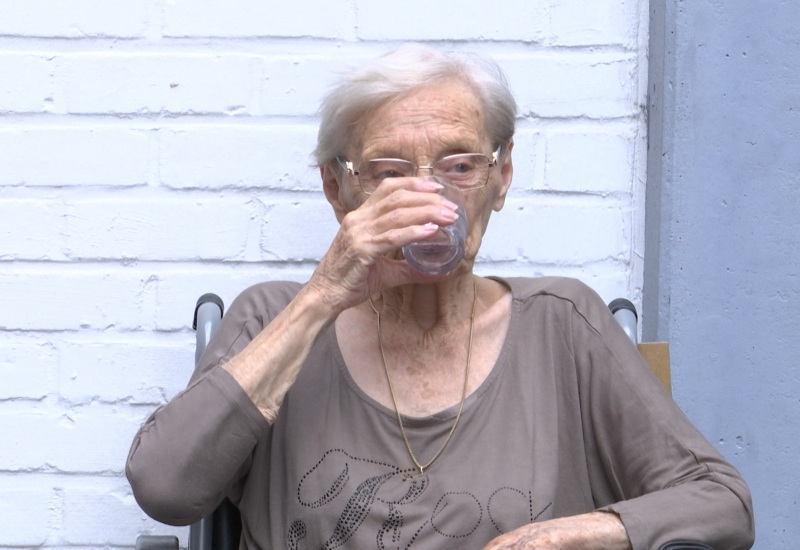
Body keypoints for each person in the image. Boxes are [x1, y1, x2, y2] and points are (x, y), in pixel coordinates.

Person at [127, 45, 755, 549]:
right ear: (336, 190)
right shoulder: (275, 316)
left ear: (500, 179)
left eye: (460, 166)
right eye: (390, 171)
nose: (431, 201)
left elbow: (721, 503)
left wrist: (583, 534)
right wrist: (323, 295)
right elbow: (165, 489)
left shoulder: (563, 324)